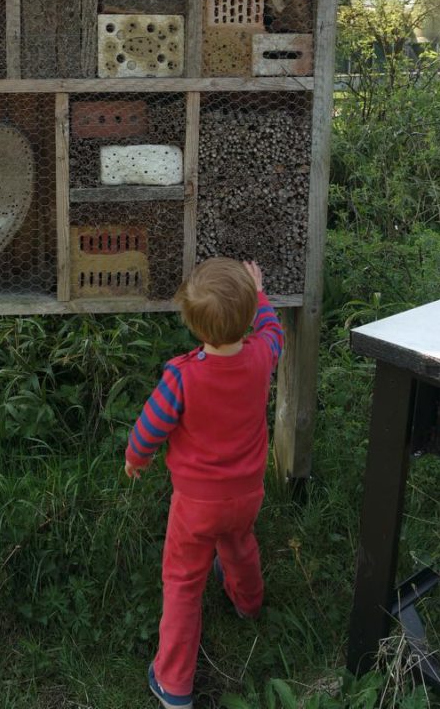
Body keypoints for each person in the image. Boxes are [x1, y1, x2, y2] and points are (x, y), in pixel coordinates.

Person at [124, 258, 284, 709]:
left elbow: (150, 427)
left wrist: (136, 458)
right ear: (249, 315)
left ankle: (174, 684)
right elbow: (275, 333)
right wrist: (261, 294)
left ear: (195, 327)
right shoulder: (261, 357)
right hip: (247, 494)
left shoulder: (182, 375)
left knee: (182, 582)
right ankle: (249, 604)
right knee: (239, 544)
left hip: (196, 506)